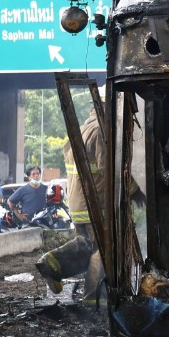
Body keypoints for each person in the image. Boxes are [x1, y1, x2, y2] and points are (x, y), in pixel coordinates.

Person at [37, 108, 107, 301]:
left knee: (86, 244)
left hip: (77, 204)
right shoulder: (101, 131)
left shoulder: (79, 131)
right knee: (102, 249)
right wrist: (135, 189)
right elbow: (107, 169)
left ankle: (52, 264)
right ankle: (93, 297)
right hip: (96, 204)